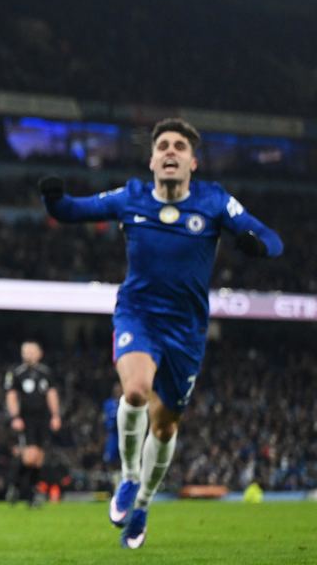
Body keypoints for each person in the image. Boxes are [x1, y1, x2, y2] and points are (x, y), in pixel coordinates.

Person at [39, 117, 282, 549]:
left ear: (192, 163)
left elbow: (271, 237)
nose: (170, 151)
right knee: (135, 391)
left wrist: (257, 246)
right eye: (163, 146)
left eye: (179, 147)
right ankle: (130, 478)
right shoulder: (132, 196)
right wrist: (52, 196)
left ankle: (143, 505)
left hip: (187, 330)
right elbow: (72, 210)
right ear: (152, 160)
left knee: (165, 427)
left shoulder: (213, 201)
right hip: (138, 315)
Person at [3, 341, 60, 508]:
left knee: (38, 458)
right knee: (29, 457)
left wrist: (55, 416)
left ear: (39, 354)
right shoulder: (16, 373)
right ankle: (18, 487)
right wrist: (15, 417)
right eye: (25, 352)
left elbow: (52, 394)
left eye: (30, 352)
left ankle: (31, 494)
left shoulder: (46, 373)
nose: (27, 355)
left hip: (42, 419)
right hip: (26, 419)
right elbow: (11, 396)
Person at [102, 384, 122, 489]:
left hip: (125, 435)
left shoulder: (127, 403)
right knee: (111, 461)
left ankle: (124, 485)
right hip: (114, 436)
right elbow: (107, 421)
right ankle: (116, 486)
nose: (118, 393)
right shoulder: (108, 404)